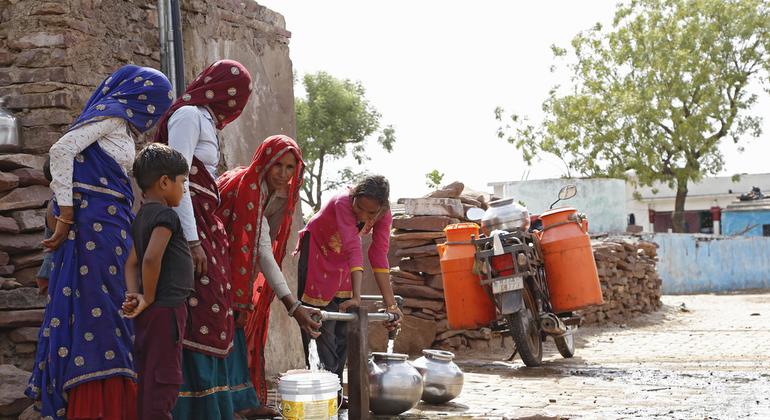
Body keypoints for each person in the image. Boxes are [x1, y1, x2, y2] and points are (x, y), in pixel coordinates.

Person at [26, 65, 173, 420]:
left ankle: (115, 406)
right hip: (93, 231)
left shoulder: (123, 128)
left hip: (112, 228)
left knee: (116, 314)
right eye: (153, 102)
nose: (152, 113)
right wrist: (66, 214)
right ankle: (93, 408)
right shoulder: (111, 116)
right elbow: (61, 152)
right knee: (102, 315)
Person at [154, 59, 255, 419]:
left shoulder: (206, 120)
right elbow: (177, 177)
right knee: (199, 308)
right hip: (189, 225)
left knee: (213, 310)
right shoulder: (188, 116)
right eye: (236, 94)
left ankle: (215, 405)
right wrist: (192, 241)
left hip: (204, 221)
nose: (236, 103)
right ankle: (192, 408)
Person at [216, 135, 321, 416]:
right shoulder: (248, 189)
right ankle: (228, 406)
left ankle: (241, 403)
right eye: (278, 166)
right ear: (265, 161)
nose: (284, 174)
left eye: (290, 168)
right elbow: (263, 250)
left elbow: (262, 248)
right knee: (222, 334)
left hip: (237, 272)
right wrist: (293, 305)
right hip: (214, 268)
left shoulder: (282, 193)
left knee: (235, 334)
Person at [296, 175, 402, 403]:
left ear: (382, 209)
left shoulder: (383, 215)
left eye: (370, 214)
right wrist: (356, 296)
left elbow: (378, 255)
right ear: (354, 196)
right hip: (317, 253)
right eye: (360, 208)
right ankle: (323, 396)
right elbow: (354, 246)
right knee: (320, 327)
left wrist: (391, 304)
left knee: (343, 331)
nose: (363, 216)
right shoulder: (343, 202)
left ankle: (334, 392)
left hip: (344, 263)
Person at [122, 143, 194, 420]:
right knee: (164, 379)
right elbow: (150, 260)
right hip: (166, 310)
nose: (184, 189)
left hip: (151, 312)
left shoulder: (141, 217)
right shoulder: (166, 216)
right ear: (165, 182)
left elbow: (131, 263)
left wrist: (134, 295)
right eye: (183, 182)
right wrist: (148, 296)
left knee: (149, 375)